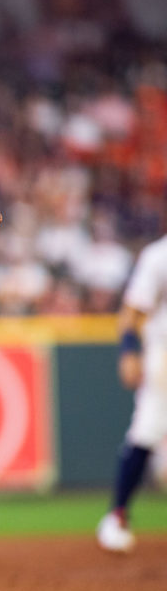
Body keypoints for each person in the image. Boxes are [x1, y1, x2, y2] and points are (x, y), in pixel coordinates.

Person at [97, 232, 167, 553]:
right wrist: (129, 350)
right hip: (163, 355)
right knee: (146, 432)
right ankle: (117, 516)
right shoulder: (159, 255)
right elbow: (132, 311)